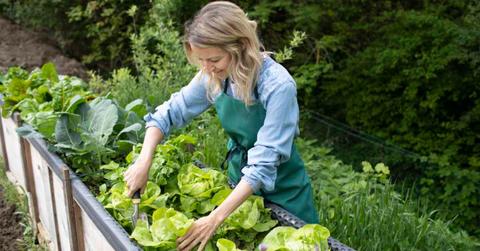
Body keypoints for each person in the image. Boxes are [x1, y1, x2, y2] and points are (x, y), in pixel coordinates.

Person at [123, 1, 319, 250]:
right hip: (238, 187)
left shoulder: (278, 86)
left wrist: (215, 217)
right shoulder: (215, 75)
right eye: (201, 60)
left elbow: (263, 164)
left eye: (214, 59)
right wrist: (144, 160)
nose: (206, 68)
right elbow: (169, 113)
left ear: (240, 48)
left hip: (285, 191)